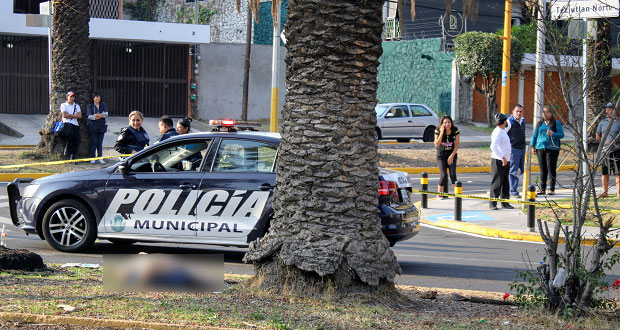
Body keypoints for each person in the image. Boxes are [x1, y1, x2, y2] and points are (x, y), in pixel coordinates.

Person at [530, 106, 564, 195]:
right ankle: (542, 188)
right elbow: (535, 135)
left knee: (551, 169)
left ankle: (552, 189)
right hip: (540, 147)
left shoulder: (556, 123)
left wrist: (553, 134)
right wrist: (533, 146)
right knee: (542, 169)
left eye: (547, 112)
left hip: (552, 148)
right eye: (544, 112)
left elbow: (561, 135)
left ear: (551, 113)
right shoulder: (540, 123)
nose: (545, 114)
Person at [595, 102, 620, 198]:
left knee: (618, 172)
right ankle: (605, 192)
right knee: (605, 172)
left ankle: (619, 193)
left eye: (609, 109)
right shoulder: (602, 123)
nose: (607, 111)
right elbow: (598, 136)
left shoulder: (619, 121)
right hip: (605, 151)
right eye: (606, 109)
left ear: (615, 110)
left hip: (617, 150)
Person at [490, 112, 514, 210]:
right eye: (506, 120)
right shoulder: (498, 132)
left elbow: (510, 124)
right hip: (499, 160)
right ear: (503, 122)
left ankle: (505, 202)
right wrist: (502, 157)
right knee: (497, 182)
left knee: (505, 182)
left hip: (506, 160)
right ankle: (493, 203)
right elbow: (493, 147)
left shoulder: (503, 130)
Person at [434, 115, 460, 199]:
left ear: (451, 123)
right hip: (441, 155)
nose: (447, 124)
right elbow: (436, 144)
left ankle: (457, 194)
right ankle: (439, 193)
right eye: (445, 122)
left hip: (451, 154)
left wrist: (451, 157)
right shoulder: (438, 130)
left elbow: (457, 145)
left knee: (453, 174)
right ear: (442, 124)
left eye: (449, 122)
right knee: (444, 175)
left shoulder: (455, 130)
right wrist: (441, 132)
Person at [507, 104, 526, 198]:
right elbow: (504, 133)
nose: (519, 113)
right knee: (513, 170)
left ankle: (525, 189)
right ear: (513, 112)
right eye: (517, 111)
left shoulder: (523, 121)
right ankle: (513, 190)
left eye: (520, 111)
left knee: (523, 169)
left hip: (522, 147)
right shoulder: (509, 122)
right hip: (513, 148)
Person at [86, 92, 108, 164]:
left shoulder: (103, 104)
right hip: (93, 126)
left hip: (102, 126)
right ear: (93, 98)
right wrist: (99, 115)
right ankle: (93, 157)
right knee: (94, 142)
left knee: (100, 142)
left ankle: (100, 157)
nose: (98, 98)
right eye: (96, 97)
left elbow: (105, 114)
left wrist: (96, 115)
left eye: (99, 97)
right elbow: (90, 117)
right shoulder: (90, 106)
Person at [60, 91, 82, 160]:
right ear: (67, 97)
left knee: (76, 139)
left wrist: (70, 115)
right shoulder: (63, 105)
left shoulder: (76, 106)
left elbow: (79, 116)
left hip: (75, 124)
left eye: (73, 96)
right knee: (70, 134)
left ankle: (73, 156)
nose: (72, 98)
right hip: (66, 124)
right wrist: (74, 116)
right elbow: (64, 115)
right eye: (71, 96)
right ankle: (67, 147)